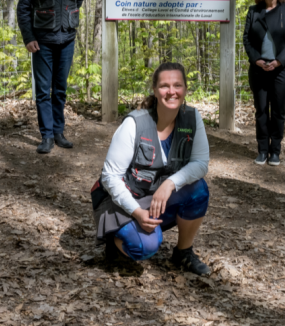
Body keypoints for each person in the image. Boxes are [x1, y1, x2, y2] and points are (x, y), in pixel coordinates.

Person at [91, 63, 212, 274]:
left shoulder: (192, 118)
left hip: (157, 196)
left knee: (198, 189)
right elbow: (110, 177)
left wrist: (170, 183)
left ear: (185, 89)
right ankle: (115, 240)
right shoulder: (134, 123)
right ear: (155, 90)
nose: (171, 91)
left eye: (177, 85)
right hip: (124, 199)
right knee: (143, 248)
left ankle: (183, 252)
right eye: (165, 86)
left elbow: (200, 164)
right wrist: (137, 212)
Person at [16, 0, 85, 154]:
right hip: (42, 42)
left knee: (61, 89)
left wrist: (66, 19)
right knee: (43, 91)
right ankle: (46, 136)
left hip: (67, 40)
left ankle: (58, 132)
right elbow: (23, 8)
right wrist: (29, 38)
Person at [242, 0, 285, 166]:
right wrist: (256, 60)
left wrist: (280, 61)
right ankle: (262, 150)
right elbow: (247, 40)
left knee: (278, 111)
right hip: (259, 68)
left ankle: (275, 150)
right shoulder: (254, 11)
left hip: (281, 70)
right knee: (261, 110)